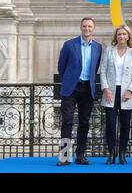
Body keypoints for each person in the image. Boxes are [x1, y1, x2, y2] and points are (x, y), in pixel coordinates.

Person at [57, 17, 102, 166]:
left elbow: (95, 68)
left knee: (84, 122)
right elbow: (61, 66)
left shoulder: (98, 47)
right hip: (71, 88)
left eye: (90, 26)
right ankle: (64, 156)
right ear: (81, 27)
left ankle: (80, 155)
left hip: (87, 89)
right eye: (85, 26)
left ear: (93, 29)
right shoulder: (69, 45)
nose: (87, 28)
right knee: (67, 121)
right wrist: (70, 80)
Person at [100, 25, 132, 165]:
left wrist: (130, 90)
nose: (121, 36)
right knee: (110, 124)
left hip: (126, 94)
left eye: (124, 34)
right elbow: (103, 72)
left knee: (125, 125)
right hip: (110, 93)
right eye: (119, 34)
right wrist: (106, 89)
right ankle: (111, 153)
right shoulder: (109, 51)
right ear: (115, 37)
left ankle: (122, 153)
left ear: (128, 36)